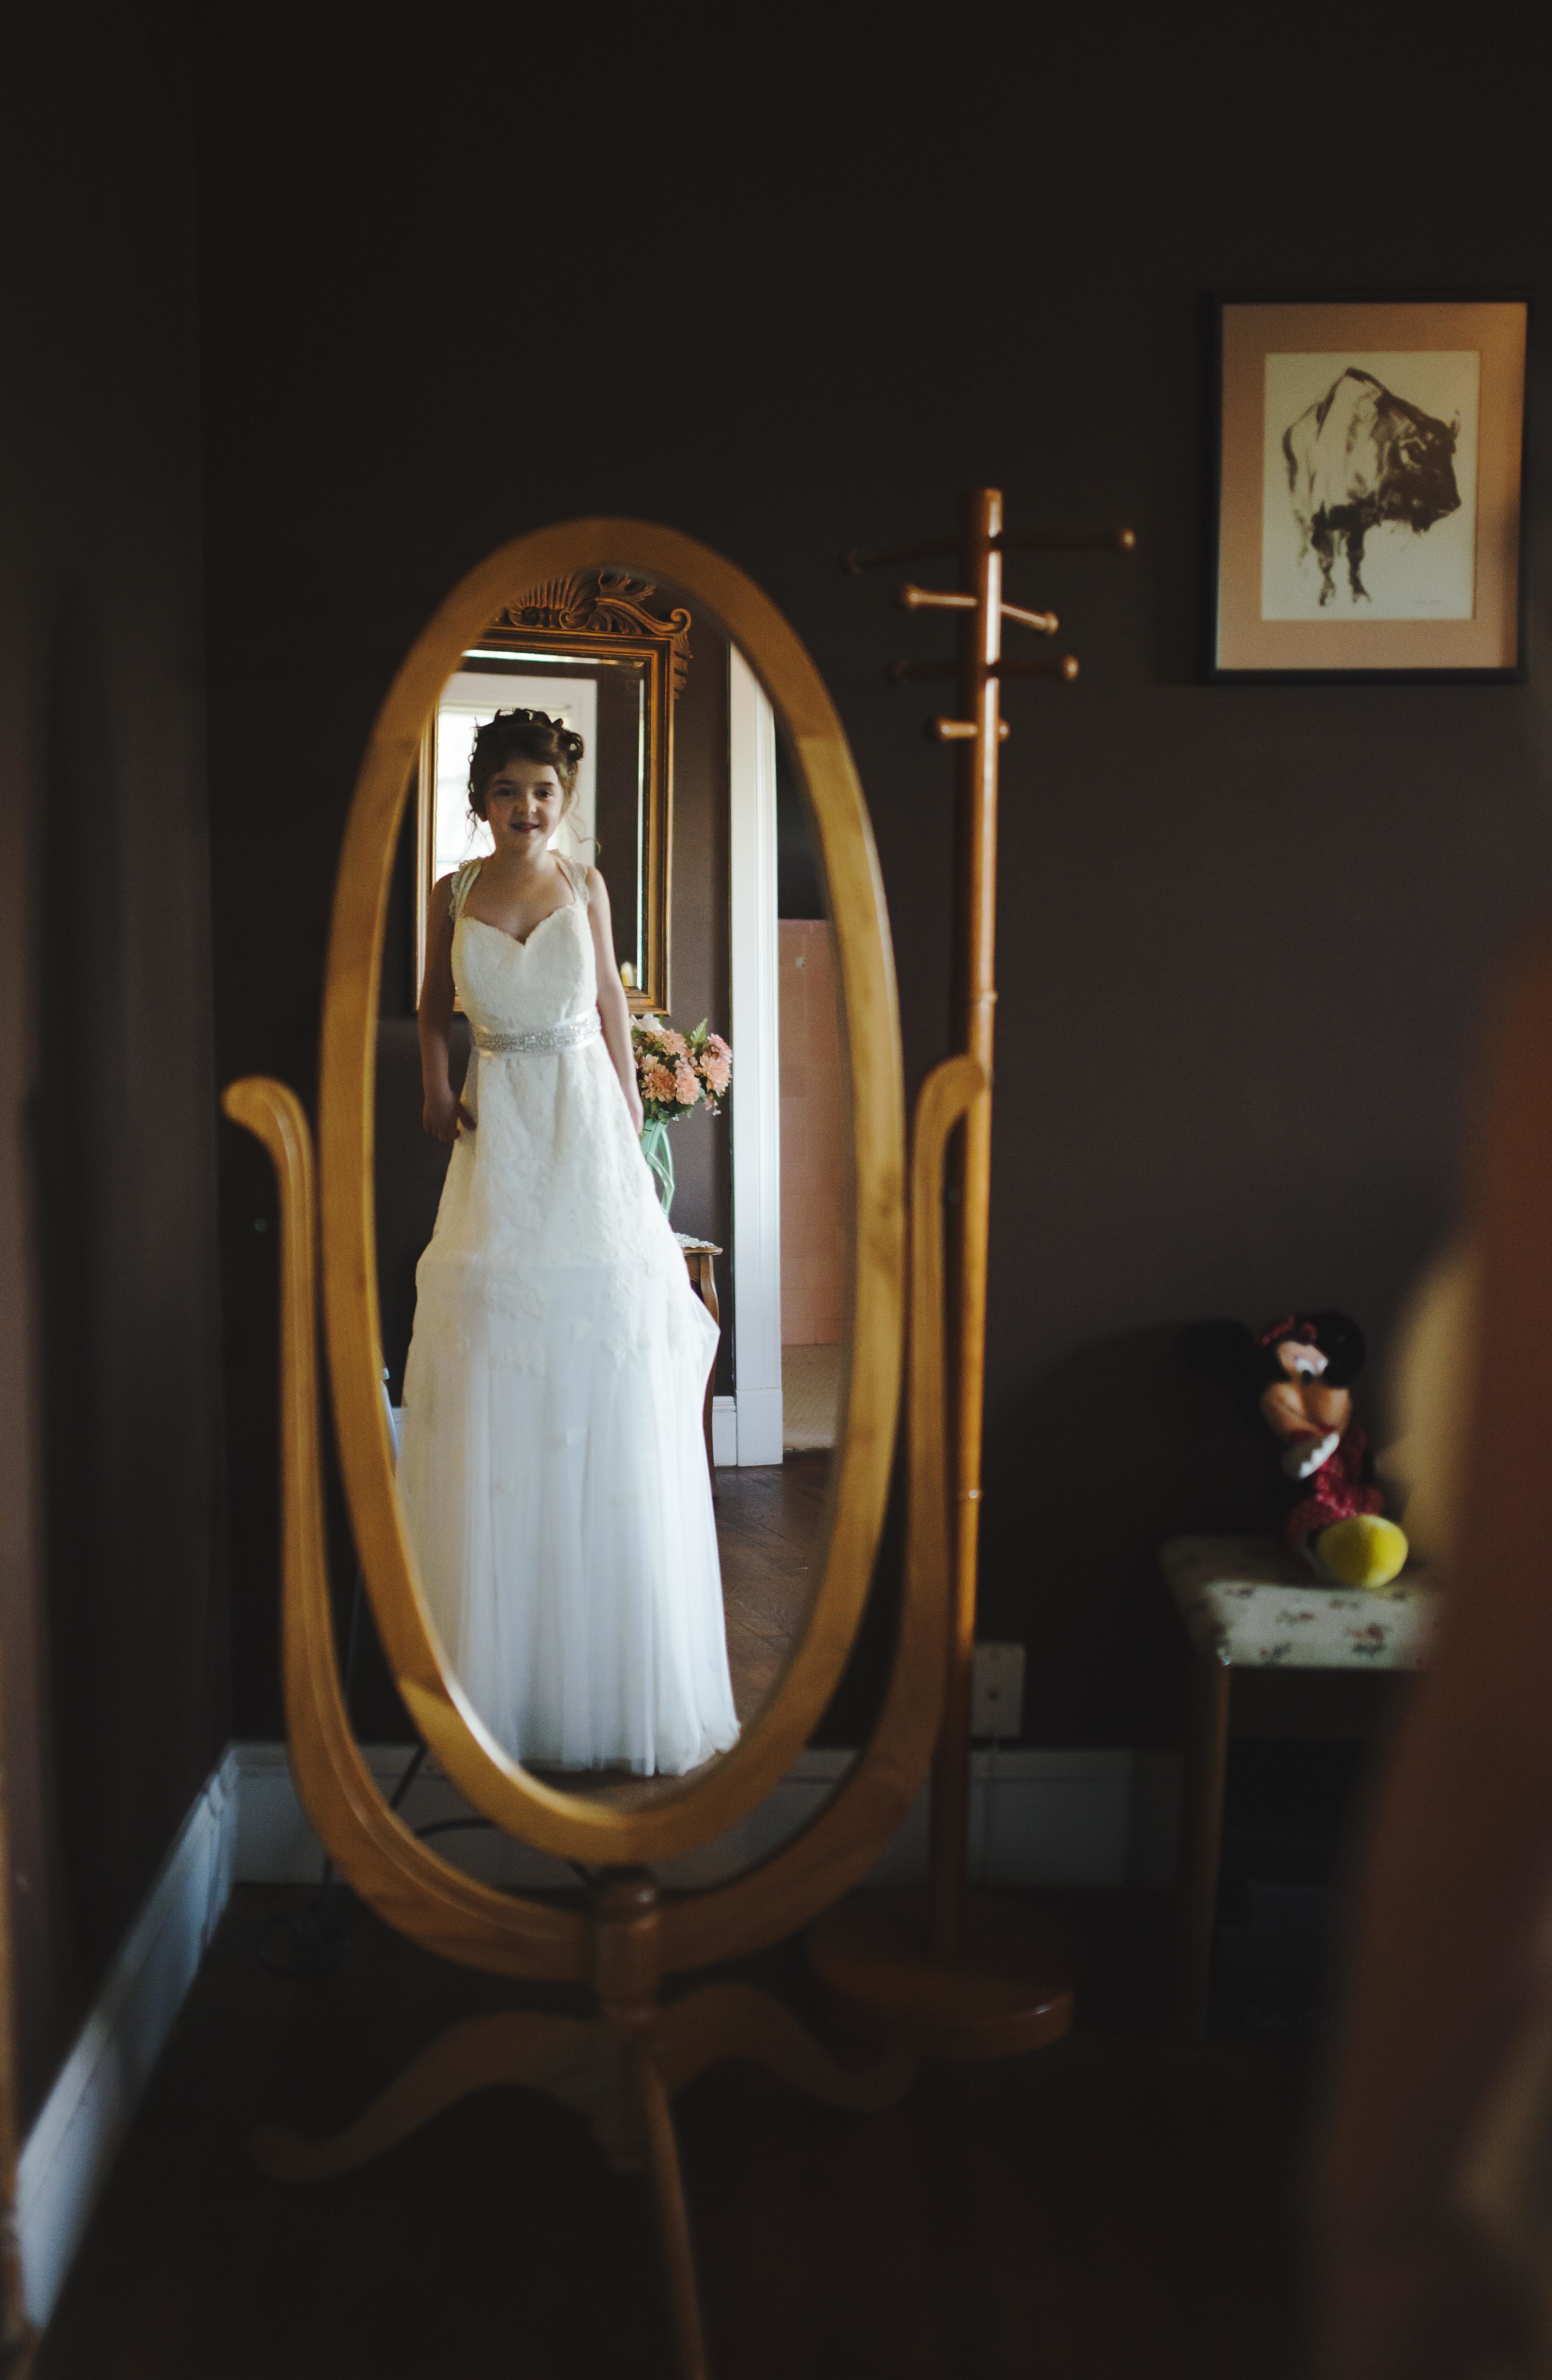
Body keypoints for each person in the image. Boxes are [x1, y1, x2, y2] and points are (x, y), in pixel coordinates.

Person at [396, 708, 739, 1776]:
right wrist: (437, 1085)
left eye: (544, 791)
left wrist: (640, 1152)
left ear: (564, 799)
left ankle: (607, 1645)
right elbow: (426, 1010)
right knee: (498, 1343)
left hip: (585, 1125)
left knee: (603, 1345)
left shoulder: (583, 889)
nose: (527, 808)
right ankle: (500, 1651)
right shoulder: (453, 893)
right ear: (481, 797)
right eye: (508, 790)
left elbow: (608, 1015)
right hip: (497, 1134)